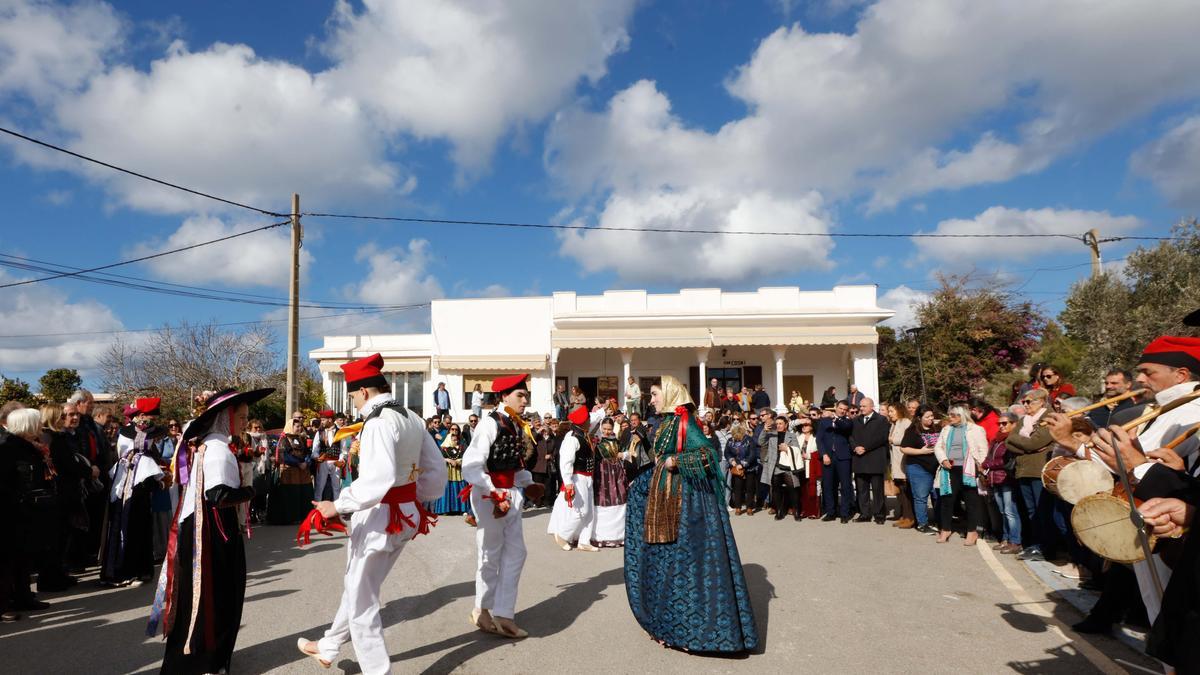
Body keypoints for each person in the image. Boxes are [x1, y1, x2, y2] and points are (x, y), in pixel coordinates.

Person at [297, 354, 445, 674]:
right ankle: (330, 644)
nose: (352, 402)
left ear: (363, 391)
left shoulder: (378, 423)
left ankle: (377, 670)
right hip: (403, 513)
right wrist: (414, 500)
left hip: (381, 516)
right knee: (359, 585)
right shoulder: (411, 417)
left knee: (362, 600)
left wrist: (337, 505)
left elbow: (376, 480)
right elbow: (436, 472)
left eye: (352, 395)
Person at [624, 375, 758, 652]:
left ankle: (696, 632)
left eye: (654, 394)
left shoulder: (685, 422)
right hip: (666, 499)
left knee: (687, 564)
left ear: (671, 395)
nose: (651, 399)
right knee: (667, 563)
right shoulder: (665, 424)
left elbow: (708, 455)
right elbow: (660, 456)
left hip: (688, 505)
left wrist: (677, 461)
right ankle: (669, 624)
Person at [151, 387, 272, 674]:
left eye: (245, 417)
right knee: (215, 594)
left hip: (206, 528)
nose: (244, 422)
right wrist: (252, 490)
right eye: (240, 417)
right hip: (212, 532)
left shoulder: (214, 444)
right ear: (225, 417)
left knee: (209, 594)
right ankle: (205, 660)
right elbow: (218, 495)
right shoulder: (218, 449)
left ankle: (205, 656)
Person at [461, 374, 545, 639]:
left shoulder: (515, 424)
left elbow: (515, 462)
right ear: (503, 396)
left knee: (516, 553)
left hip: (510, 493)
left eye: (525, 395)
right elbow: (471, 465)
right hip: (491, 496)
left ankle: (503, 612)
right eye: (520, 395)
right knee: (489, 553)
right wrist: (494, 491)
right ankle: (483, 609)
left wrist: (527, 483)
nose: (525, 400)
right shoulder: (489, 424)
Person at [102, 397, 167, 588]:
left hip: (141, 482)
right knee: (125, 523)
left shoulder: (149, 433)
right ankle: (122, 570)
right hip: (127, 480)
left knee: (140, 524)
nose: (149, 420)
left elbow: (153, 455)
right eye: (147, 415)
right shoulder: (127, 433)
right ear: (139, 415)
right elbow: (127, 453)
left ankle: (140, 569)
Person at [0, 408, 55, 621]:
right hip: (11, 513)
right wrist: (20, 499)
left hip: (27, 512)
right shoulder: (7, 448)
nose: (40, 427)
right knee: (7, 561)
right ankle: (3, 604)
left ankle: (24, 597)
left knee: (23, 557)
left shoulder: (29, 448)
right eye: (36, 423)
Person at [1005, 388, 1054, 561]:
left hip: (1038, 469)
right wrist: (1026, 445)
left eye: (1029, 401)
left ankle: (1046, 547)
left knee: (1042, 511)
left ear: (1041, 401)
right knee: (1031, 511)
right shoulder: (1024, 420)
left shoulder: (1048, 418)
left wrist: (1023, 443)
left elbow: (1035, 442)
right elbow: (1008, 440)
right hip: (1023, 470)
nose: (1025, 405)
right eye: (1023, 402)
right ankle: (1035, 544)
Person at [933, 406, 988, 546]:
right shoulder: (946, 429)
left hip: (969, 469)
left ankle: (971, 531)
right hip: (950, 469)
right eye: (950, 415)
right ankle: (945, 529)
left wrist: (981, 466)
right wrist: (943, 459)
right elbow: (938, 447)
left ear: (961, 415)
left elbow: (983, 449)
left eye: (953, 415)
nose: (950, 417)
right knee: (947, 501)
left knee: (971, 502)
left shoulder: (975, 429)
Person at [548, 405, 600, 551]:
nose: (591, 421)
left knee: (589, 511)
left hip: (588, 477)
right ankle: (563, 534)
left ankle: (584, 540)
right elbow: (566, 462)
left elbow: (597, 417)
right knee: (581, 510)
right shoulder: (572, 438)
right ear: (583, 421)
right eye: (588, 419)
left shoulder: (583, 433)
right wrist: (568, 483)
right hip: (578, 477)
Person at [982, 412, 1021, 554]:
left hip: (1007, 480)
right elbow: (988, 457)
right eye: (999, 423)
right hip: (995, 479)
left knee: (1010, 512)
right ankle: (1005, 539)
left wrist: (989, 465)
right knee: (1003, 511)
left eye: (1005, 423)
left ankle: (1015, 541)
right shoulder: (996, 439)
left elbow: (1006, 461)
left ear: (1014, 424)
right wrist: (986, 463)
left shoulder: (1013, 439)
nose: (1001, 426)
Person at [900, 406, 940, 534]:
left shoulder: (936, 428)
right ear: (919, 418)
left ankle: (938, 521)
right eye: (927, 417)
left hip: (936, 468)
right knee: (921, 497)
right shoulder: (912, 431)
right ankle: (922, 523)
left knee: (937, 495)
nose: (931, 419)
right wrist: (920, 451)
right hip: (918, 468)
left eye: (932, 416)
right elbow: (904, 448)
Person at [268, 418, 315, 525]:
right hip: (289, 472)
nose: (299, 428)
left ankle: (304, 517)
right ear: (291, 426)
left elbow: (308, 453)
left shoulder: (302, 438)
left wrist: (306, 463)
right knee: (291, 495)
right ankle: (291, 518)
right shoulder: (284, 439)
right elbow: (284, 456)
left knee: (304, 494)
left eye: (300, 426)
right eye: (297, 426)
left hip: (303, 472)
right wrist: (298, 463)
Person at [850, 398, 890, 524]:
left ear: (872, 406)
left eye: (864, 406)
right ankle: (864, 514)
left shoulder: (881, 420)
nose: (861, 408)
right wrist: (855, 447)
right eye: (860, 406)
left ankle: (879, 515)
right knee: (862, 490)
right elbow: (850, 436)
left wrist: (866, 448)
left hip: (875, 459)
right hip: (860, 459)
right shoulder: (855, 420)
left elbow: (882, 438)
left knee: (878, 490)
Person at [817, 403, 854, 523]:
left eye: (845, 409)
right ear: (836, 407)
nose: (842, 411)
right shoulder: (824, 422)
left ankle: (844, 513)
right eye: (840, 408)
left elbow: (844, 428)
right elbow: (819, 439)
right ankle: (831, 512)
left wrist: (835, 418)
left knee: (845, 486)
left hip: (843, 458)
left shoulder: (847, 421)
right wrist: (824, 454)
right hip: (828, 457)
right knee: (828, 486)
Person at [763, 416, 801, 521]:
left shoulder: (792, 435)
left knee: (793, 488)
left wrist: (787, 448)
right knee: (776, 488)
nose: (778, 425)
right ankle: (779, 511)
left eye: (781, 423)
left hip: (788, 466)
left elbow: (797, 449)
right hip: (775, 465)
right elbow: (760, 442)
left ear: (786, 425)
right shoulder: (771, 435)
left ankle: (796, 511)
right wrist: (764, 431)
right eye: (777, 423)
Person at [430, 423, 468, 516]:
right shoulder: (444, 446)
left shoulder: (462, 444)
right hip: (447, 471)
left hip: (458, 471)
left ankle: (461, 509)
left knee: (460, 488)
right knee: (447, 489)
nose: (454, 432)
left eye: (456, 430)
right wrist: (448, 460)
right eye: (452, 429)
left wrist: (459, 461)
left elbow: (467, 456)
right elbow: (437, 458)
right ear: (449, 431)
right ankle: (446, 509)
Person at [887, 403, 914, 528]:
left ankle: (910, 517)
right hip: (896, 462)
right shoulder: (894, 424)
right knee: (900, 492)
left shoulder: (906, 422)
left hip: (903, 461)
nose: (889, 413)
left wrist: (893, 440)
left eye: (892, 411)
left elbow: (907, 440)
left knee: (906, 490)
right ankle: (904, 515)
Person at [724, 422, 759, 515]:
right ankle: (738, 507)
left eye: (738, 436)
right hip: (737, 468)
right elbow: (727, 452)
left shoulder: (749, 440)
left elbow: (752, 454)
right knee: (737, 488)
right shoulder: (730, 441)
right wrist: (732, 461)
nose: (736, 438)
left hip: (749, 467)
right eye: (735, 436)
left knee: (750, 488)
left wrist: (743, 464)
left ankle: (749, 507)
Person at [312, 410, 345, 502]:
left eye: (323, 420)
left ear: (330, 420)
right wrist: (316, 457)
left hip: (336, 463)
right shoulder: (320, 432)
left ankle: (336, 511)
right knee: (319, 487)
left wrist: (341, 460)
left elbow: (343, 449)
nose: (321, 422)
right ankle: (317, 510)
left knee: (336, 488)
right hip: (323, 462)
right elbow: (315, 448)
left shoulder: (340, 432)